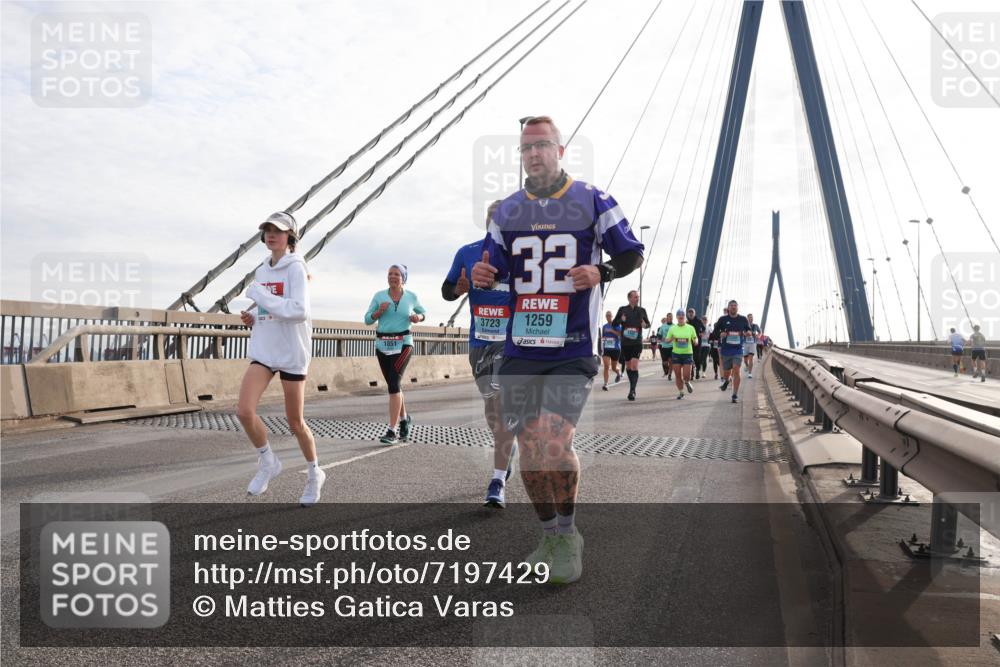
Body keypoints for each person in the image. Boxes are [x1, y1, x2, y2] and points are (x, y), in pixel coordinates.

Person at [472, 115, 644, 584]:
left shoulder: (593, 199)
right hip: (522, 346)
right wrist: (485, 275)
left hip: (573, 344)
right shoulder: (507, 211)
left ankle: (568, 536)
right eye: (526, 148)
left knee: (553, 438)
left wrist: (602, 272)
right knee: (529, 447)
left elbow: (631, 252)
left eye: (542, 145)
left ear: (560, 151)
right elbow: (495, 268)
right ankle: (548, 534)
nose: (534, 154)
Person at [237, 212, 324, 507]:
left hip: (291, 352)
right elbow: (270, 308)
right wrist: (254, 315)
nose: (271, 234)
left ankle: (314, 473)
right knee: (244, 411)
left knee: (295, 422)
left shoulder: (296, 268)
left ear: (290, 237)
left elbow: (299, 310)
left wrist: (260, 298)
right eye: (267, 230)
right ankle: (268, 462)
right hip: (265, 349)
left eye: (278, 230)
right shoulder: (262, 270)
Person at [442, 212, 518, 508]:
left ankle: (497, 480)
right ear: (487, 224)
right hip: (480, 342)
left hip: (511, 343)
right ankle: (506, 448)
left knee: (503, 405)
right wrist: (457, 289)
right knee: (492, 409)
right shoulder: (467, 252)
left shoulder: (522, 256)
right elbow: (447, 290)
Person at [365, 264, 427, 444]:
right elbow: (367, 319)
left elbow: (423, 313)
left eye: (397, 274)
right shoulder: (379, 296)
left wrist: (418, 317)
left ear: (403, 278)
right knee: (394, 386)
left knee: (393, 384)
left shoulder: (411, 297)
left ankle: (391, 431)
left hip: (404, 344)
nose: (392, 276)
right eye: (390, 274)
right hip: (382, 344)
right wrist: (378, 312)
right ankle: (404, 419)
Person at [614, 291, 651, 401]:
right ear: (629, 298)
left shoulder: (642, 310)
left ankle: (632, 391)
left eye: (638, 297)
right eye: (635, 297)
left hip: (637, 342)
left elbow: (648, 324)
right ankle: (632, 387)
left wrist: (645, 325)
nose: (637, 298)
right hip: (626, 343)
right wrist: (621, 320)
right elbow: (614, 323)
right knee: (629, 367)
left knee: (634, 366)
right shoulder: (622, 310)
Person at [715, 300, 751, 404]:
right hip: (726, 350)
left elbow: (748, 330)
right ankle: (727, 380)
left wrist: (748, 333)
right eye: (731, 305)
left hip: (738, 349)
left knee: (736, 369)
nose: (733, 307)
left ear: (737, 308)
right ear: (728, 308)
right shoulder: (723, 319)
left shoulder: (743, 319)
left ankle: (735, 394)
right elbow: (715, 332)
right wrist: (720, 333)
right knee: (727, 373)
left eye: (735, 305)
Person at [666, 310, 698, 399]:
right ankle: (681, 392)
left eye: (682, 315)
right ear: (677, 317)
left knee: (686, 376)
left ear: (685, 317)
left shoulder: (690, 328)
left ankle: (687, 382)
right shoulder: (672, 328)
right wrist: (672, 338)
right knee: (678, 375)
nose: (681, 317)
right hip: (676, 354)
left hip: (687, 354)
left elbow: (695, 338)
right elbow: (667, 340)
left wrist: (695, 341)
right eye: (679, 315)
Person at [599, 310, 623, 390]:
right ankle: (606, 384)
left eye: (609, 315)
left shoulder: (617, 325)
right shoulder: (604, 326)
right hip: (606, 348)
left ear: (612, 316)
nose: (608, 317)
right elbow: (602, 337)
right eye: (607, 315)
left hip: (615, 349)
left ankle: (618, 373)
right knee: (606, 366)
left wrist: (612, 331)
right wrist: (603, 338)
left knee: (613, 368)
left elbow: (620, 334)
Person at [686, 307, 705, 380]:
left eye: (692, 312)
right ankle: (691, 373)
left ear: (694, 313)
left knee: (697, 357)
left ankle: (697, 370)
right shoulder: (686, 322)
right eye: (689, 312)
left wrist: (701, 333)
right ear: (688, 314)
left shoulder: (698, 321)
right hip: (688, 342)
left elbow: (703, 328)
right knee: (690, 357)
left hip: (697, 342)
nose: (691, 314)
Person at [743, 313, 761, 378]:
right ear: (747, 319)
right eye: (750, 317)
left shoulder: (755, 325)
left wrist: (758, 336)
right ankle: (747, 366)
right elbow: (742, 332)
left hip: (752, 344)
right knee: (745, 360)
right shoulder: (744, 325)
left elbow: (760, 332)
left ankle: (750, 373)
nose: (751, 318)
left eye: (752, 317)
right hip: (745, 343)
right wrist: (745, 334)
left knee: (750, 358)